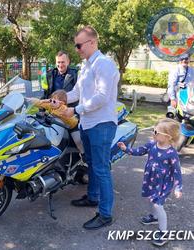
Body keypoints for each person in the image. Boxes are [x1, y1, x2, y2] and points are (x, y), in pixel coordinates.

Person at [60, 26, 119, 230]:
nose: (77, 49)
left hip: (101, 124)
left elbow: (102, 97)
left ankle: (105, 214)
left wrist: (75, 110)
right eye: (76, 45)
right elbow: (77, 91)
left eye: (79, 45)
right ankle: (93, 197)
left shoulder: (104, 64)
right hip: (87, 123)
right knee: (92, 164)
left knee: (102, 169)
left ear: (92, 42)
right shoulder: (86, 65)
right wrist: (60, 99)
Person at [118, 118, 182, 246]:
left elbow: (177, 172)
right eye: (154, 130)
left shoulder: (171, 153)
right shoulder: (152, 144)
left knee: (158, 205)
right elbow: (139, 151)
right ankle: (154, 217)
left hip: (163, 184)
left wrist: (178, 188)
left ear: (168, 137)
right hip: (151, 178)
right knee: (151, 199)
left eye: (156, 132)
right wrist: (126, 149)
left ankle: (163, 233)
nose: (153, 133)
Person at [29, 90, 84, 154]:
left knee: (78, 142)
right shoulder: (52, 106)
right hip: (62, 125)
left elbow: (58, 112)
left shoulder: (63, 109)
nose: (51, 102)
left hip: (73, 127)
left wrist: (50, 112)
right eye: (51, 100)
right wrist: (30, 100)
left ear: (61, 103)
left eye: (54, 101)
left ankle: (83, 155)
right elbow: (40, 103)